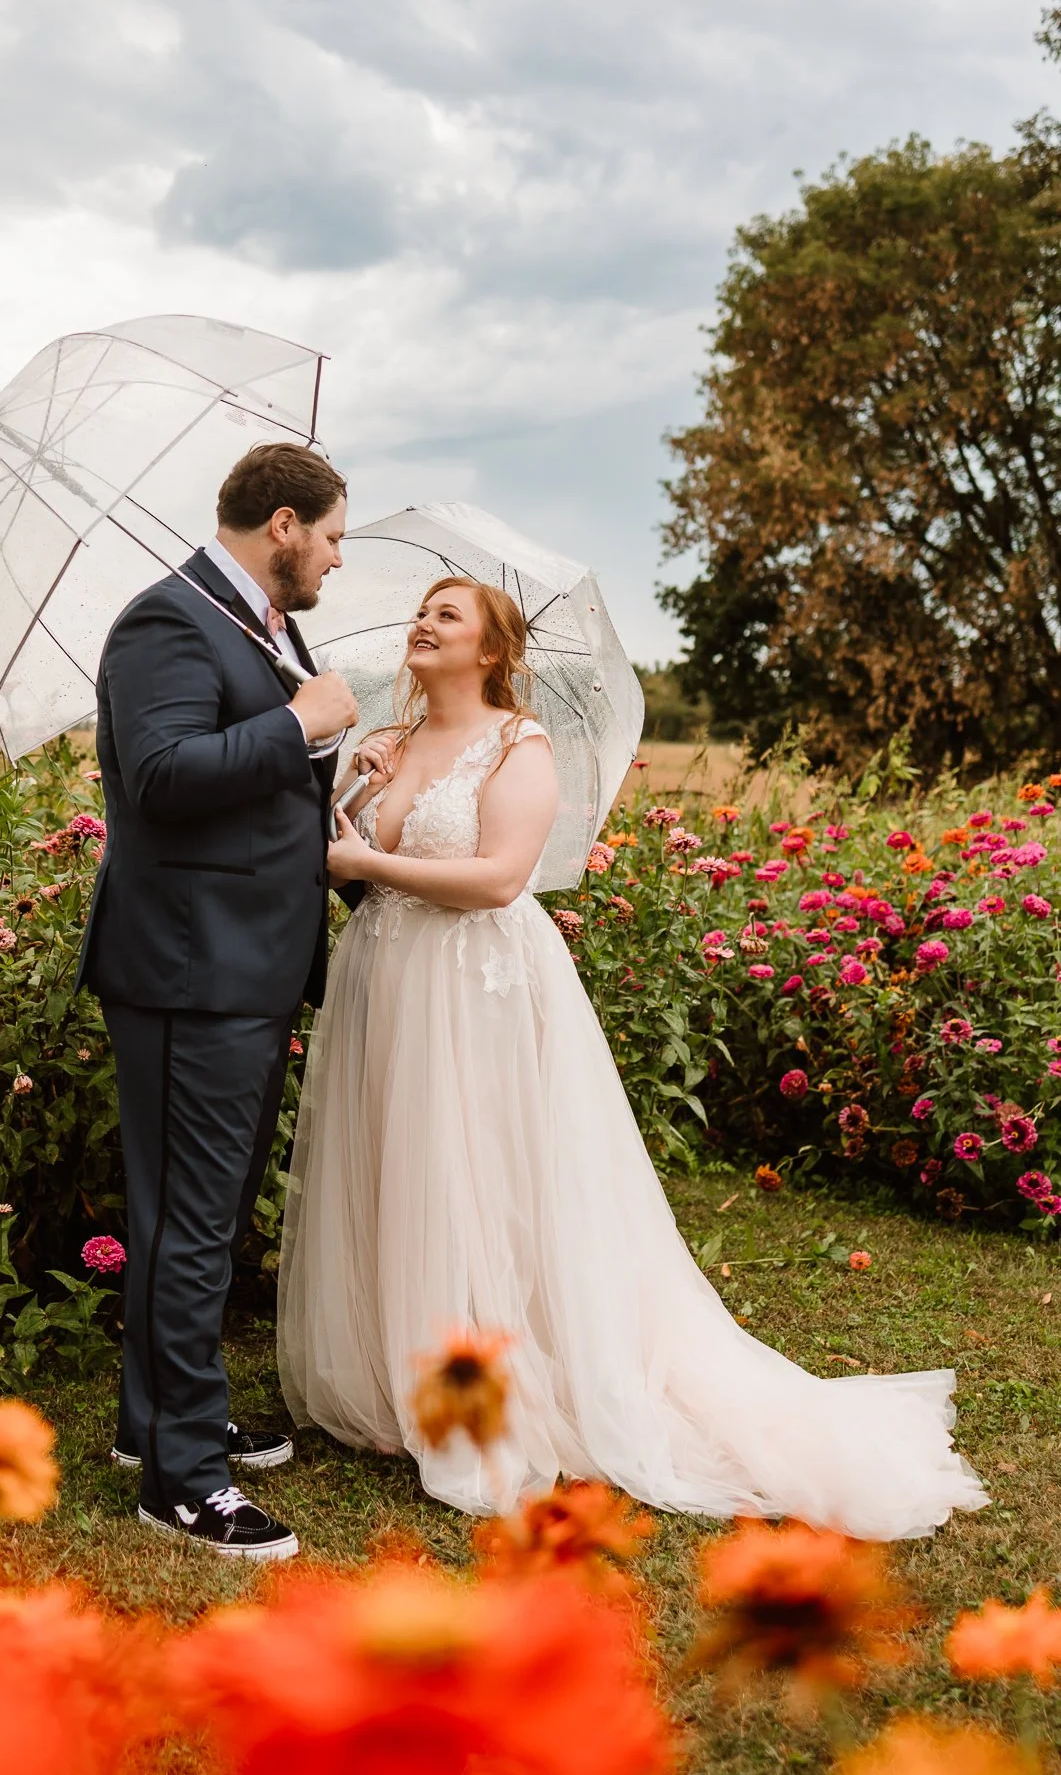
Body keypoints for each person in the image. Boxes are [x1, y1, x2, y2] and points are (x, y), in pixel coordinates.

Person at [277, 576, 988, 1539]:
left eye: (448, 615)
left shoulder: (518, 745)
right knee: (400, 1171)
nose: (423, 622)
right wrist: (352, 780)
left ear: (491, 650)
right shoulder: (388, 746)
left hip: (473, 987)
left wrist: (367, 865)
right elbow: (341, 850)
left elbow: (495, 881)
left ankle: (488, 1391)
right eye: (421, 610)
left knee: (477, 1177)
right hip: (388, 981)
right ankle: (400, 1377)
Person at [76, 442, 358, 1560]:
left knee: (204, 1213)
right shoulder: (169, 621)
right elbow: (160, 777)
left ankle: (157, 1418)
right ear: (282, 524)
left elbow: (249, 789)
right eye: (334, 535)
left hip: (247, 964)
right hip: (189, 969)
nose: (338, 559)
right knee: (187, 1221)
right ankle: (182, 1478)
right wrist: (299, 724)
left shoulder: (266, 627)